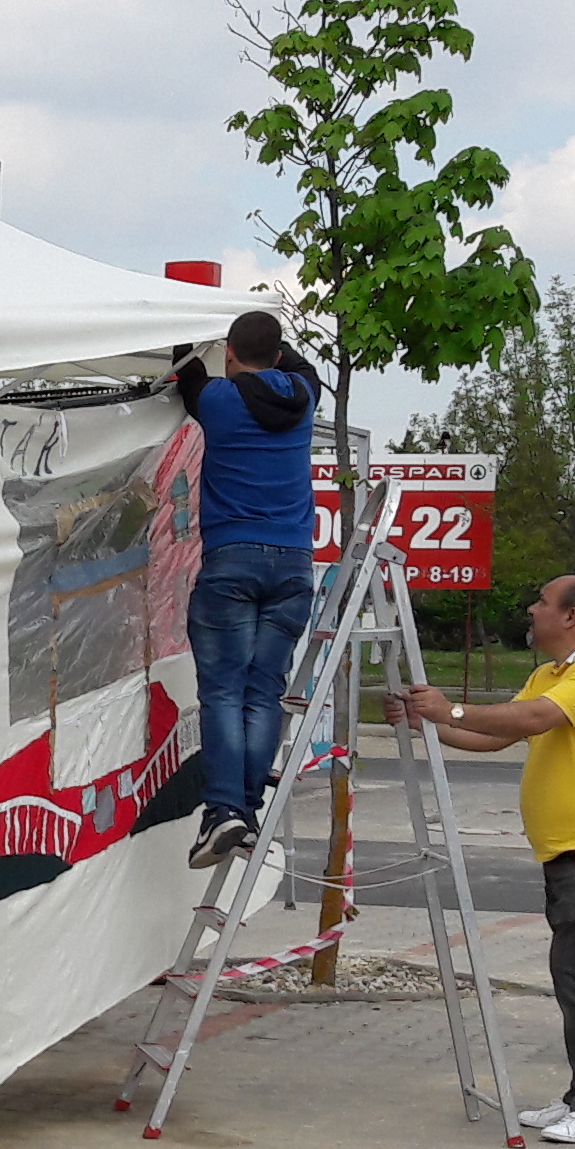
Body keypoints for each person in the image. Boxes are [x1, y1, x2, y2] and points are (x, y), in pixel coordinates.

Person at [397, 574, 575, 1145]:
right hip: (568, 850)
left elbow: (534, 719)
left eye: (541, 602)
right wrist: (430, 723)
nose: (531, 610)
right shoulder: (551, 674)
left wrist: (451, 709)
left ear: (571, 616)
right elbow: (498, 736)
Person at [171, 308, 323, 870]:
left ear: (230, 353)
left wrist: (195, 324)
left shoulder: (218, 400)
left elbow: (184, 367)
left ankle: (224, 811)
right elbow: (302, 368)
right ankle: (246, 813)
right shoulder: (305, 398)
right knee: (263, 693)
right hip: (294, 565)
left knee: (223, 692)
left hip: (232, 561)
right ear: (279, 356)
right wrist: (267, 351)